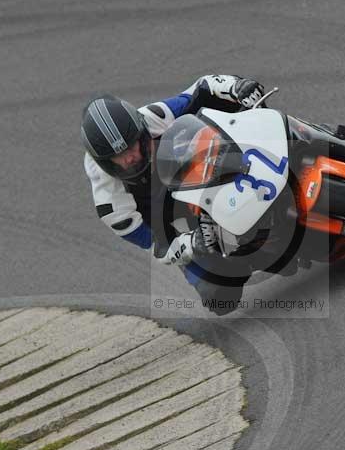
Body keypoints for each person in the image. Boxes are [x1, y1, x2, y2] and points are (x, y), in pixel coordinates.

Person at [81, 75, 265, 313]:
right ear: (104, 162)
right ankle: (242, 252)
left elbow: (202, 89)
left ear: (140, 132)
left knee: (234, 108)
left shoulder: (151, 118)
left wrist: (235, 87)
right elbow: (156, 245)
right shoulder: (110, 204)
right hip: (172, 223)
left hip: (196, 172)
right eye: (119, 157)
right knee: (220, 297)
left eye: (131, 146)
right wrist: (190, 243)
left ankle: (307, 141)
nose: (129, 158)